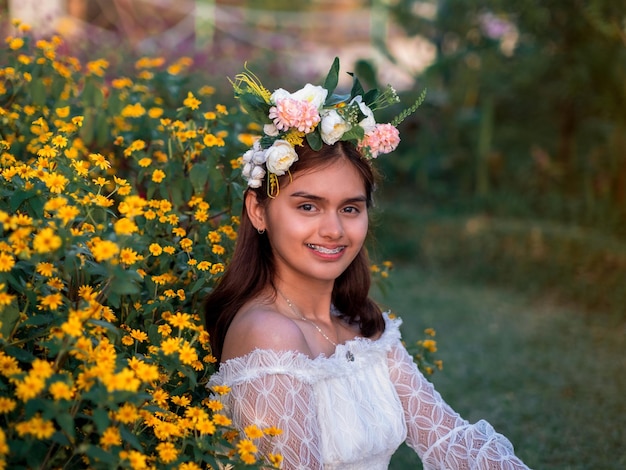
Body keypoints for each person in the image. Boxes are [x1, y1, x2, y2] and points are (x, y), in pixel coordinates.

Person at [205, 58, 530, 469]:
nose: (334, 230)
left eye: (350, 209)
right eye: (308, 206)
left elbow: (449, 439)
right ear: (258, 211)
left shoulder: (362, 327)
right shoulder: (269, 335)